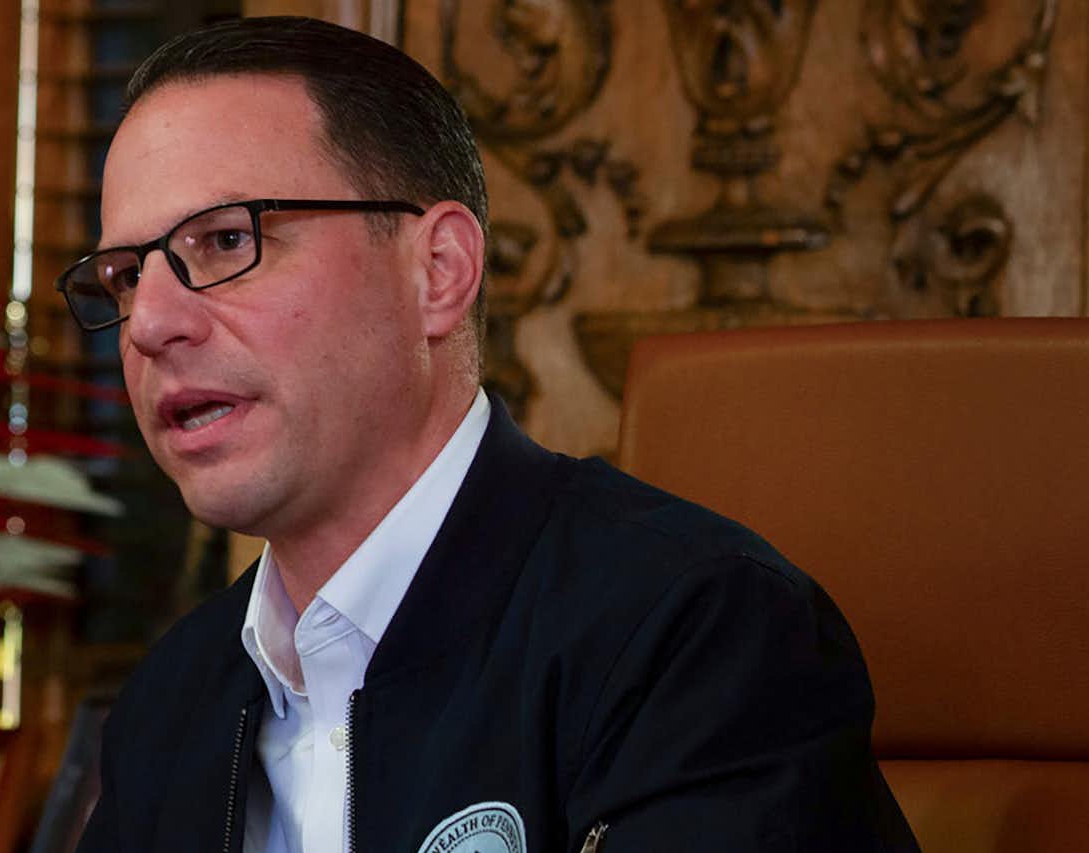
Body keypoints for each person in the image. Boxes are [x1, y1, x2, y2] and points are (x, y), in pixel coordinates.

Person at [66, 16, 917, 852]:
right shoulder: (171, 702)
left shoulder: (697, 637)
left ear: (438, 272)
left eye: (222, 241)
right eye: (127, 276)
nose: (150, 324)